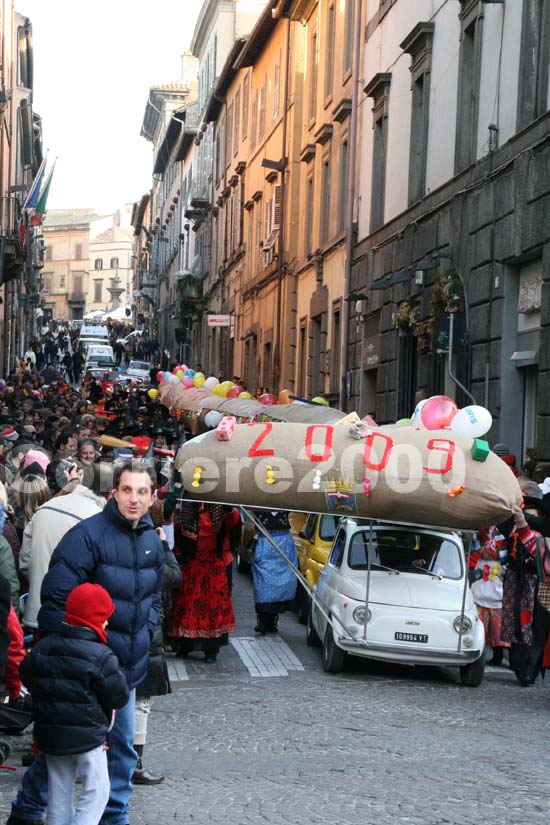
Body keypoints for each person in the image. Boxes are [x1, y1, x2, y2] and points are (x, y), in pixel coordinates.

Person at [7, 461, 164, 825]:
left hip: (124, 668)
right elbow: (56, 601)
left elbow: (155, 596)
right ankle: (28, 810)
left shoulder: (152, 542)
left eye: (142, 492)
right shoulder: (87, 536)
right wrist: (80, 654)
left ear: (152, 496)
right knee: (60, 748)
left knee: (122, 750)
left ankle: (114, 818)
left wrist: (148, 626)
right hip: (83, 669)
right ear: (114, 493)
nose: (134, 499)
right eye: (127, 490)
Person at [20, 583, 129, 825]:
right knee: (97, 790)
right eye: (104, 618)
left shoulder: (44, 647)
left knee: (58, 792)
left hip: (50, 735)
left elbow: (26, 673)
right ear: (94, 620)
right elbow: (118, 695)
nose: (107, 623)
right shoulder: (100, 655)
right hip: (88, 736)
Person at [133, 526, 181, 786]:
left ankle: (124, 761)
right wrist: (164, 546)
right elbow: (174, 575)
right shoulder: (150, 559)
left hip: (129, 633)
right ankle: (134, 764)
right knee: (140, 703)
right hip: (145, 635)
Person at [168, 502, 238, 663]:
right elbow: (179, 532)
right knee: (188, 605)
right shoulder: (187, 506)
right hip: (192, 564)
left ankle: (211, 650)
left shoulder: (220, 507)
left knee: (213, 606)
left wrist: (229, 510)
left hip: (214, 565)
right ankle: (186, 645)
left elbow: (233, 523)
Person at [251, 510, 297, 634]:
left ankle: (271, 621)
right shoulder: (258, 501)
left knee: (280, 585)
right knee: (263, 583)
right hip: (265, 542)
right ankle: (262, 621)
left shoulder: (284, 501)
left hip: (284, 544)